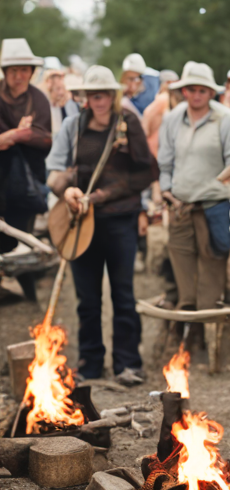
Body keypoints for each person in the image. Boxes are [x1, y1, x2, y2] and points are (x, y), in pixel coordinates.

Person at [46, 65, 153, 385]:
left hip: (121, 219)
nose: (99, 100)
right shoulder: (72, 125)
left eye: (104, 94)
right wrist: (68, 189)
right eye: (93, 95)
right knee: (87, 297)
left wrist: (106, 194)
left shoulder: (129, 122)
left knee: (123, 293)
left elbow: (147, 172)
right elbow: (53, 169)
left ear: (113, 95)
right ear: (85, 98)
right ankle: (90, 362)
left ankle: (128, 363)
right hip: (81, 221)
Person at [158, 62, 230, 327]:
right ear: (183, 91)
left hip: (214, 205)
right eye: (191, 90)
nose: (196, 95)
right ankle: (186, 326)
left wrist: (217, 180)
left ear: (211, 93)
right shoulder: (172, 119)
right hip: (180, 206)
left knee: (212, 267)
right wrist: (166, 191)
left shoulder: (226, 118)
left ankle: (207, 324)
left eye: (202, 90)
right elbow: (165, 163)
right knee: (182, 266)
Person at [0, 38, 51, 302]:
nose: (19, 76)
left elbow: (46, 140)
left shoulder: (39, 99)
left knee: (25, 239)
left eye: (24, 70)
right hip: (0, 181)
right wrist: (13, 135)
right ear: (5, 73)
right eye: (13, 70)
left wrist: (20, 136)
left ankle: (30, 295)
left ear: (31, 72)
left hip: (27, 185)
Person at [42, 61, 79, 138]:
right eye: (57, 89)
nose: (61, 92)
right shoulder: (44, 106)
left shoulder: (69, 104)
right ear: (50, 89)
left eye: (63, 88)